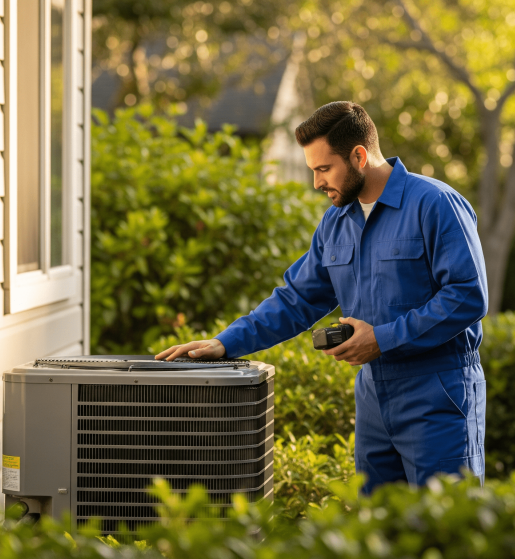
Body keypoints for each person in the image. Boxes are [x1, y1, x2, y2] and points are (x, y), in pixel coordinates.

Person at [156, 101, 489, 493]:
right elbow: (296, 300)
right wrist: (224, 343)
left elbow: (467, 295)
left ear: (359, 156)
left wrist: (382, 339)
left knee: (446, 529)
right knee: (377, 531)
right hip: (373, 399)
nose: (316, 182)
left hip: (439, 395)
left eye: (323, 169)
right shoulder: (337, 221)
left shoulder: (434, 203)